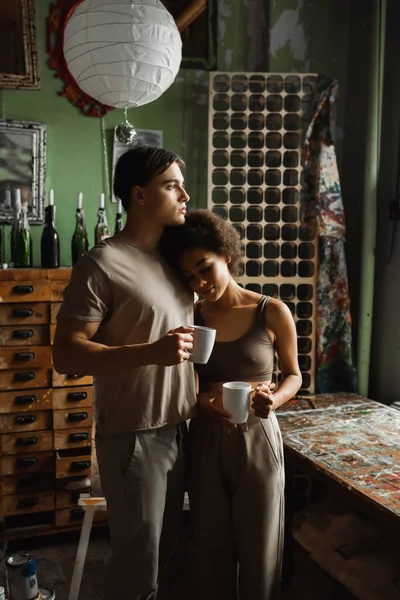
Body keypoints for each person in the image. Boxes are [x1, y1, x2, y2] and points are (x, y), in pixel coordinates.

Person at [52, 146, 197, 600]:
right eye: (171, 185)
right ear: (138, 195)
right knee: (138, 563)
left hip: (186, 425)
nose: (185, 195)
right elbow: (67, 355)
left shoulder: (177, 258)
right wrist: (152, 352)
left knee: (172, 548)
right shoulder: (101, 263)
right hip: (135, 432)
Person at [159, 209, 302, 600]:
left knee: (260, 553)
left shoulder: (270, 311)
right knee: (210, 550)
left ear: (226, 255)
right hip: (204, 440)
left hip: (258, 439)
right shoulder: (190, 316)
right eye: (188, 276)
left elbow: (294, 375)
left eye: (205, 268)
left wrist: (274, 399)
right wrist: (199, 399)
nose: (200, 283)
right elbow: (177, 378)